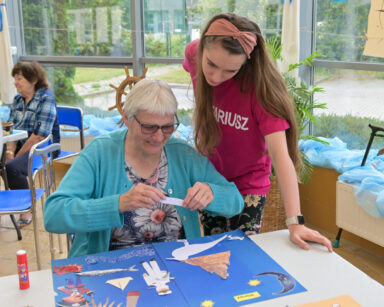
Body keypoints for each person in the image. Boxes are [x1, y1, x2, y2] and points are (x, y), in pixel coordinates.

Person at [183, 13, 333, 252]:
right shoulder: (193, 53)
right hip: (210, 179)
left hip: (249, 183)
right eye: (211, 64)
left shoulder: (260, 91)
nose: (215, 76)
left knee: (244, 251)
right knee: (213, 248)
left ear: (245, 63)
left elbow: (281, 156)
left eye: (230, 71)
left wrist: (295, 223)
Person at [44, 79, 244, 258]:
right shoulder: (100, 152)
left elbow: (235, 202)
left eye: (167, 127)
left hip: (174, 266)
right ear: (126, 119)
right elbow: (54, 214)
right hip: (110, 266)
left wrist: (212, 193)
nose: (158, 137)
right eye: (148, 127)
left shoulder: (183, 154)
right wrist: (119, 204)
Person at [4, 61, 60, 227]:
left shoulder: (45, 99)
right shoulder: (18, 100)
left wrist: (16, 157)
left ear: (34, 79)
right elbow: (10, 131)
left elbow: (38, 136)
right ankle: (15, 200)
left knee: (11, 167)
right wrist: (9, 152)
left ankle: (27, 208)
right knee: (4, 164)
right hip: (22, 146)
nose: (15, 82)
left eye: (19, 78)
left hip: (44, 147)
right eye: (15, 78)